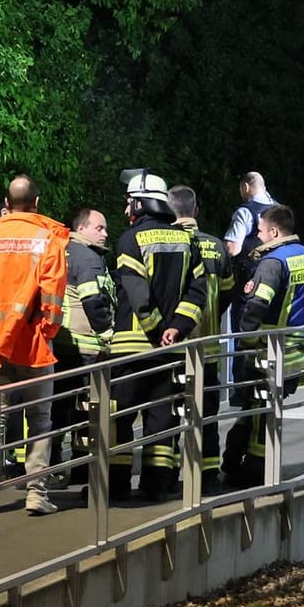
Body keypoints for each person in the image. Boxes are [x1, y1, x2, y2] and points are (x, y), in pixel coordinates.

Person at [0, 174, 69, 515]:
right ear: (36, 203)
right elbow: (53, 298)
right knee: (40, 421)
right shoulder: (47, 240)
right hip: (34, 348)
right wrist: (47, 332)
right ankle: (36, 494)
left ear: (7, 204)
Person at [106, 170, 207, 502]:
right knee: (161, 420)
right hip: (172, 350)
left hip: (132, 350)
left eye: (129, 204)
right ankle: (157, 486)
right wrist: (177, 329)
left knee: (118, 420)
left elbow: (137, 296)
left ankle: (116, 488)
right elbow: (197, 293)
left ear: (140, 204)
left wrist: (157, 329)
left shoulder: (130, 240)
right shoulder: (187, 240)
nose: (126, 212)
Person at [223, 204, 304, 487]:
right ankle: (235, 463)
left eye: (260, 231)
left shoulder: (273, 263)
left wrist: (246, 339)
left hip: (266, 352)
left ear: (274, 231)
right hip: (297, 352)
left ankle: (254, 472)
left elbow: (257, 305)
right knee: (261, 410)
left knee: (258, 413)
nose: (258, 237)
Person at [169, 184, 236, 496]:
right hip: (207, 347)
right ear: (195, 211)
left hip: (172, 346)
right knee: (207, 414)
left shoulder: (166, 242)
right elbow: (227, 292)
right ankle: (208, 475)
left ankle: (166, 477)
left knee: (167, 413)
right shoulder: (216, 247)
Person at [50, 207, 115, 487]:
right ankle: (82, 471)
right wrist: (108, 335)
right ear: (82, 228)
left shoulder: (58, 250)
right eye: (99, 228)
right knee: (86, 412)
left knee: (55, 411)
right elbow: (92, 301)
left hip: (57, 344)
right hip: (85, 349)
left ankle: (50, 467)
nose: (105, 234)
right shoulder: (88, 258)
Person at [223, 172, 276, 330]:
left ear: (245, 187)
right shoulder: (279, 210)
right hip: (275, 276)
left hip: (249, 282)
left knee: (243, 330)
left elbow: (232, 249)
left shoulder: (245, 212)